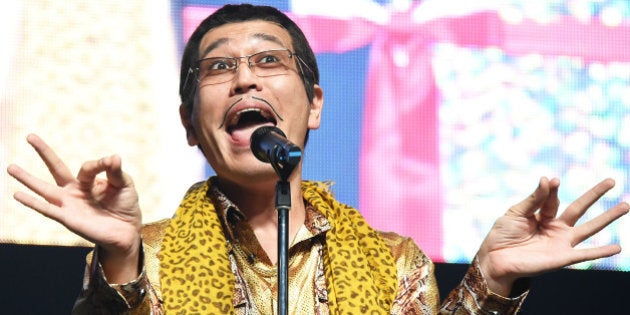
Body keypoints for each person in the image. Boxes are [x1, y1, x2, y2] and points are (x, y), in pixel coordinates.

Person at [7, 3, 628, 314]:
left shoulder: (395, 262)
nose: (245, 80)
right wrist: (118, 257)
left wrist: (491, 280)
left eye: (268, 61)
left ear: (315, 106)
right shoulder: (143, 255)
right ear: (189, 127)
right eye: (219, 68)